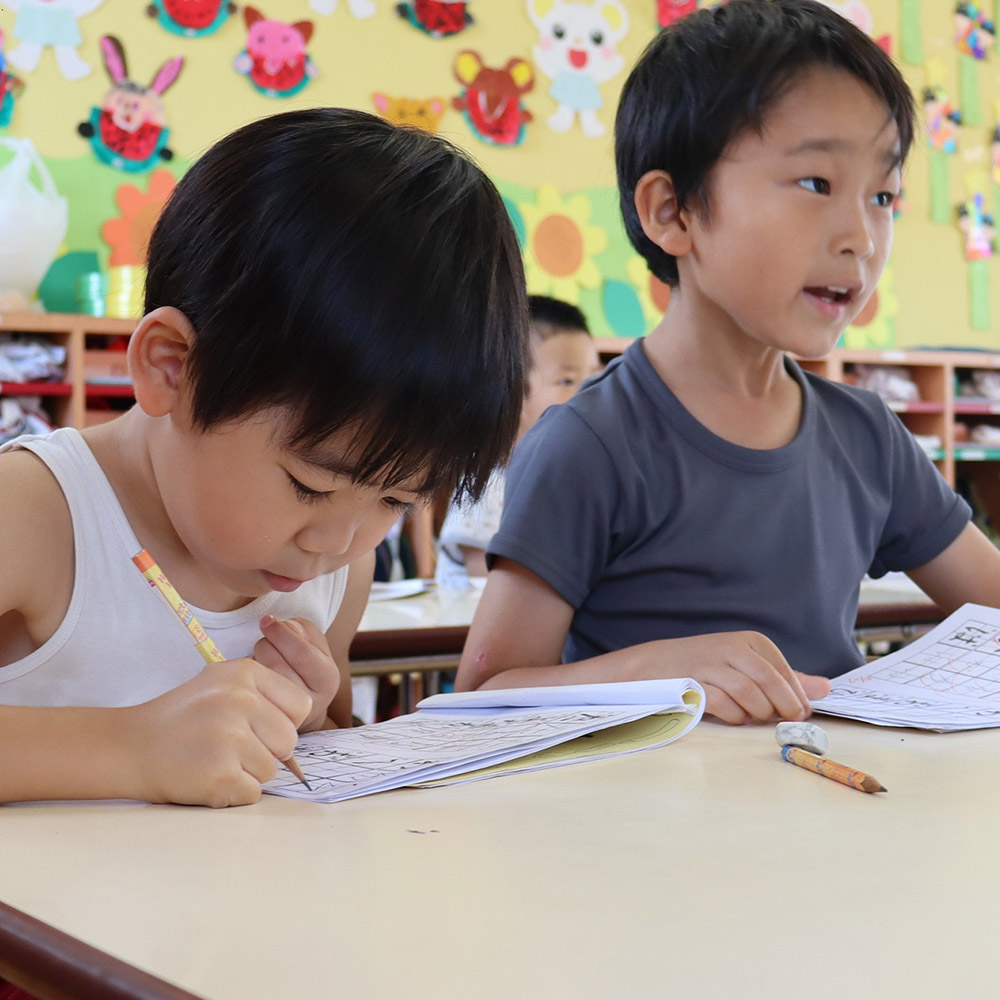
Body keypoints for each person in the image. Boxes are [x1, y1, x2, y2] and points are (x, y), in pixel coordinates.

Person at [456, 0, 1000, 723]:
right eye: (816, 184)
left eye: (883, 196)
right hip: (656, 823)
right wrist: (662, 671)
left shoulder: (866, 434)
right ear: (671, 213)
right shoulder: (589, 443)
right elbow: (480, 697)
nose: (863, 238)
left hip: (842, 808)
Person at [0, 107, 527, 806]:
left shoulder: (341, 568)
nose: (338, 540)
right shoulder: (37, 514)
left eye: (398, 501)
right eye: (309, 485)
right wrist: (130, 749)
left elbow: (312, 764)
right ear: (173, 369)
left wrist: (307, 715)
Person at [435, 294, 600, 589]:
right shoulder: (485, 488)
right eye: (567, 381)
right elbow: (488, 590)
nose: (587, 394)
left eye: (593, 378)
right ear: (514, 393)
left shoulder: (574, 482)